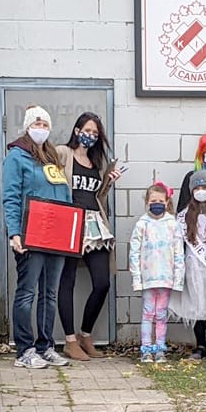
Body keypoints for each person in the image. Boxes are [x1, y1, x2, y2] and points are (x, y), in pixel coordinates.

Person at [2, 104, 71, 369]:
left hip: (56, 236)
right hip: (30, 234)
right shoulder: (17, 157)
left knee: (49, 293)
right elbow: (11, 198)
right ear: (27, 127)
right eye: (37, 124)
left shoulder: (51, 156)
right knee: (27, 292)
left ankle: (46, 346)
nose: (41, 129)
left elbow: (64, 195)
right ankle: (24, 349)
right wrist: (14, 232)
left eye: (45, 125)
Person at [55, 111, 123, 361]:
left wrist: (108, 182)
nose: (91, 136)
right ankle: (69, 341)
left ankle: (86, 334)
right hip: (70, 223)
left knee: (102, 282)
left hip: (94, 224)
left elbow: (98, 197)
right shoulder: (63, 153)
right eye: (87, 131)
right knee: (67, 281)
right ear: (76, 130)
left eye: (95, 133)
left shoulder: (97, 162)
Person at [169, 170, 206, 362]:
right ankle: (199, 344)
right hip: (193, 266)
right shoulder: (184, 216)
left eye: (205, 187)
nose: (201, 191)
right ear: (191, 190)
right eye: (197, 188)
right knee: (196, 305)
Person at [129, 182, 185, 364]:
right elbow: (134, 253)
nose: (157, 203)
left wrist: (178, 279)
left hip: (166, 279)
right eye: (153, 200)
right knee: (147, 313)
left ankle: (160, 348)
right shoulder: (141, 225)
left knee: (161, 314)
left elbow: (179, 253)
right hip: (148, 279)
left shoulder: (173, 225)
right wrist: (137, 278)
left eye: (160, 200)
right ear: (147, 202)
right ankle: (146, 348)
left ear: (167, 202)